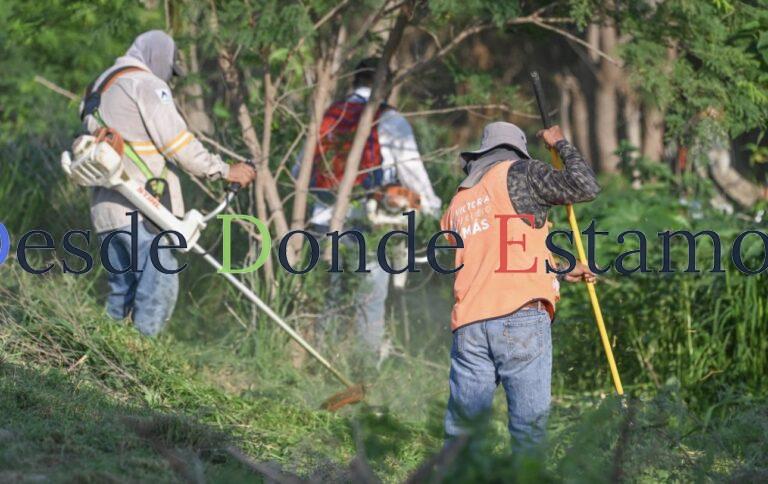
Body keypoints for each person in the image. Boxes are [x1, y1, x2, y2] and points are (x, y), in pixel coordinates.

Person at [80, 30, 256, 336]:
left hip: (106, 211)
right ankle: (139, 364)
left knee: (122, 294)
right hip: (142, 208)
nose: (170, 79)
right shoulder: (146, 84)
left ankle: (101, 363)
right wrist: (226, 170)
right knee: (158, 288)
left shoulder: (98, 88)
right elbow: (180, 147)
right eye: (170, 70)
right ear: (158, 57)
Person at [440, 121, 599, 447]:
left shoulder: (458, 203)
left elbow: (494, 252)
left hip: (470, 326)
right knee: (529, 436)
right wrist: (561, 144)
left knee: (463, 440)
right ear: (516, 152)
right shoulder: (521, 173)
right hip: (520, 319)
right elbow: (585, 186)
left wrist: (559, 268)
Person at [308, 58, 442, 361]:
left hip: (322, 223)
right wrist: (433, 210)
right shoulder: (388, 120)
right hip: (368, 226)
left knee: (331, 298)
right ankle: (363, 372)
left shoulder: (329, 116)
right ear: (386, 85)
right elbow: (414, 176)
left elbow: (299, 170)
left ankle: (319, 363)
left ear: (353, 81)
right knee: (369, 302)